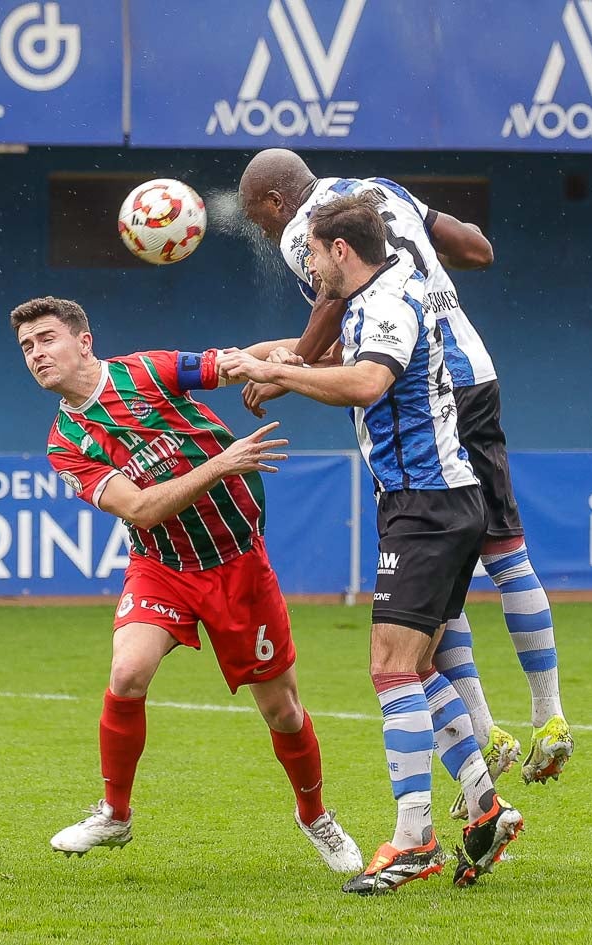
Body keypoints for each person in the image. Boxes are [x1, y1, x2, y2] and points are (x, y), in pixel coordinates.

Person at [238, 149, 573, 812]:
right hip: (475, 370)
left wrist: (288, 368)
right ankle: (547, 715)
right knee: (503, 553)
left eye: (259, 219)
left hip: (415, 398)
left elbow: (337, 312)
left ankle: (481, 735)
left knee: (424, 592)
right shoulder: (378, 188)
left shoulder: (309, 230)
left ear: (274, 204)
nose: (271, 235)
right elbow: (475, 248)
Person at [218, 193, 522, 895]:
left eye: (313, 256)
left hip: (426, 507)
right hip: (432, 503)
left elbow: (365, 380)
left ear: (340, 252)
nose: (308, 270)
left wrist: (283, 373)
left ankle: (414, 839)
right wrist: (244, 359)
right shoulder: (376, 292)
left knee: (389, 669)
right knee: (417, 666)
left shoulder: (386, 304)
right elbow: (309, 350)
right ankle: (484, 804)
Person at [12, 295, 362, 875]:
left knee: (283, 712)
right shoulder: (65, 445)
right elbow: (142, 509)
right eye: (27, 347)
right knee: (127, 672)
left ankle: (315, 815)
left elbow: (238, 361)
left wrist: (308, 357)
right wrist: (220, 464)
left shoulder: (149, 371)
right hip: (163, 565)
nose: (36, 354)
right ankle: (115, 813)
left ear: (84, 340)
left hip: (237, 561)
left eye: (46, 339)